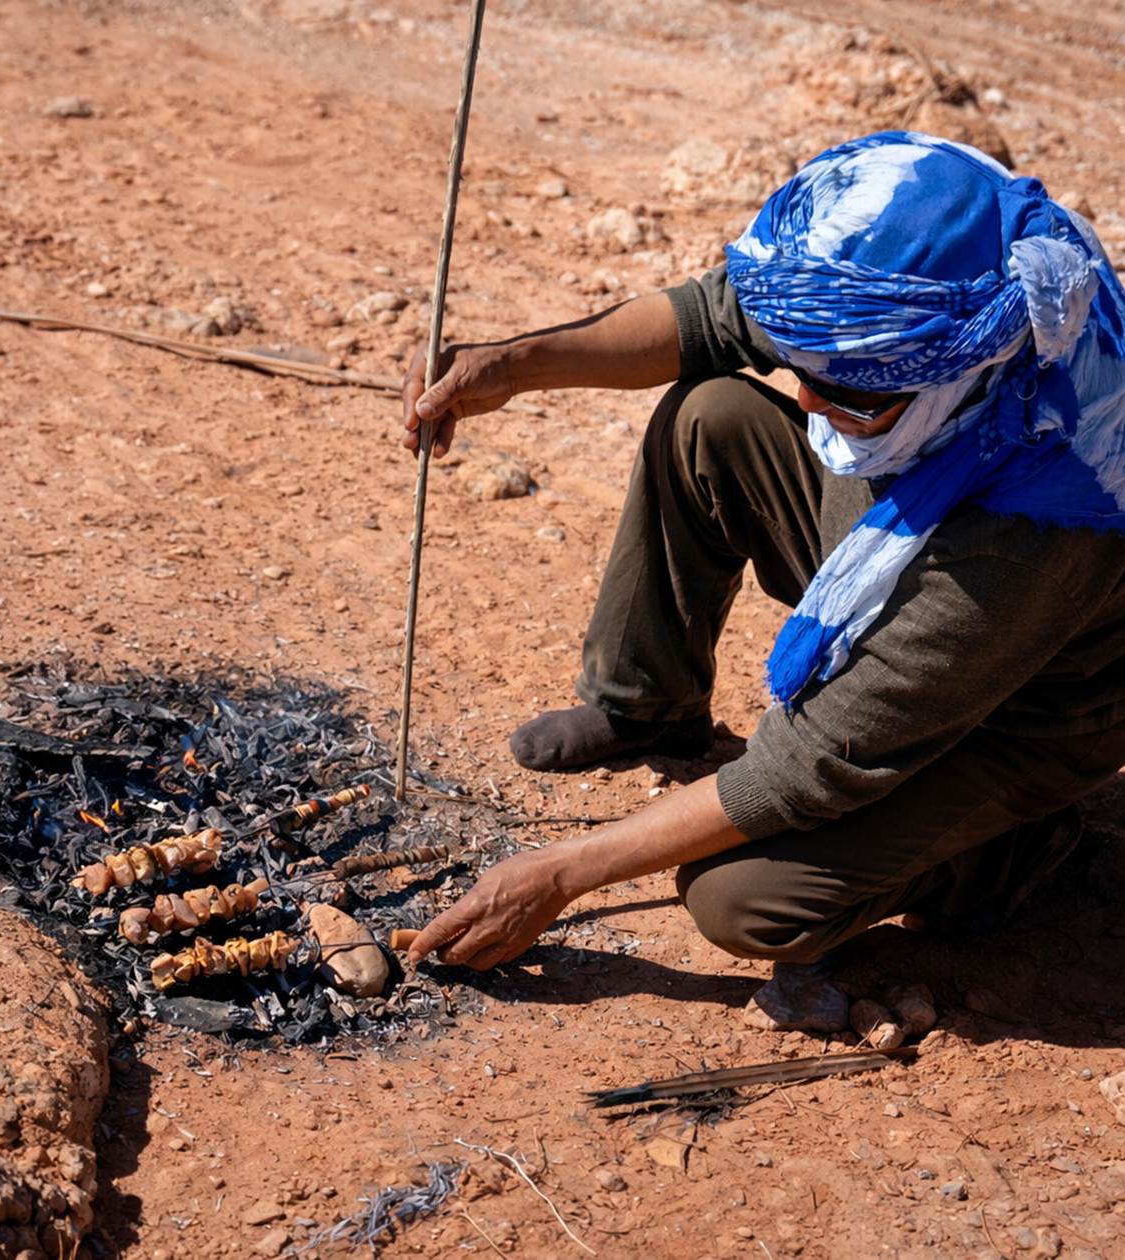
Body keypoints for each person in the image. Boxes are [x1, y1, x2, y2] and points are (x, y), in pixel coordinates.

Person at [399, 131, 1125, 1030]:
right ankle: (646, 703)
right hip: (920, 521)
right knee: (714, 414)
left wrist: (556, 874)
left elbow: (812, 764)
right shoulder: (892, 282)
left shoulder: (1039, 518)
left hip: (1025, 705)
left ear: (951, 377)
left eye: (849, 394)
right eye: (805, 369)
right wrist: (510, 366)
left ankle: (1013, 853)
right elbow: (705, 323)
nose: (807, 400)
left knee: (742, 900)